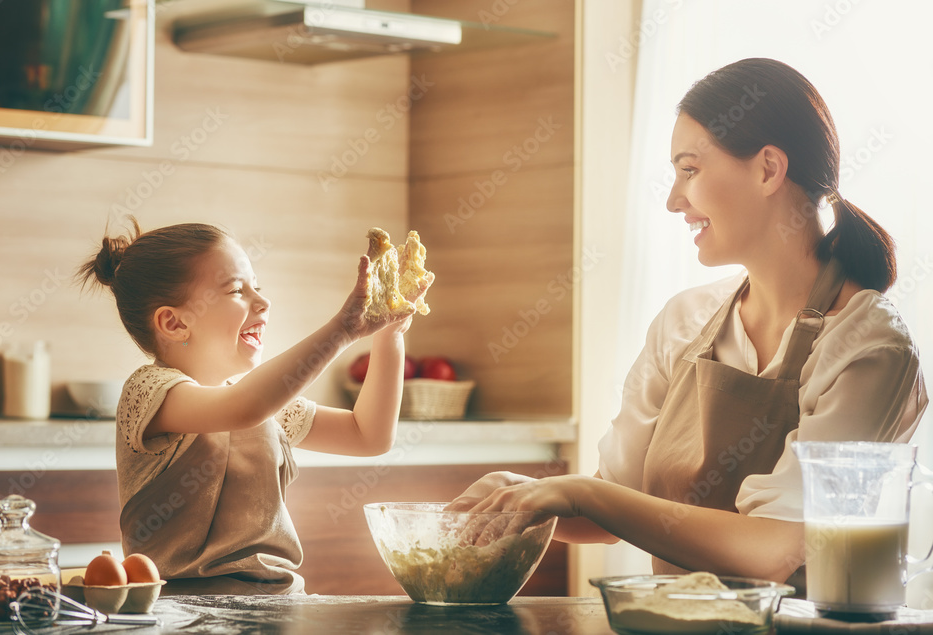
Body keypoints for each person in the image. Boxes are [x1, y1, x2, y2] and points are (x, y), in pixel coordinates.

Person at [449, 58, 928, 590]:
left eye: (690, 170)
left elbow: (776, 548)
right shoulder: (685, 321)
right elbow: (614, 502)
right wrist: (524, 495)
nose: (675, 200)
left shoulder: (868, 346)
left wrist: (580, 492)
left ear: (768, 169)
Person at [77, 218, 430, 595]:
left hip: (276, 605)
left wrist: (390, 331)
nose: (263, 302)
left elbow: (368, 435)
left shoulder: (260, 402)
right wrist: (343, 330)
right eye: (235, 291)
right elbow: (243, 408)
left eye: (256, 287)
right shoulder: (150, 391)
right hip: (178, 612)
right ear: (174, 323)